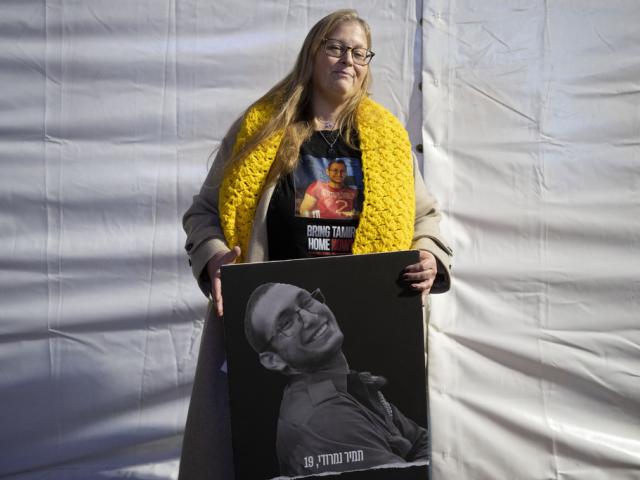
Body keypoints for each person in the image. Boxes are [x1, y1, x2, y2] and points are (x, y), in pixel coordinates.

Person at [179, 9, 452, 480]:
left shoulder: (388, 141)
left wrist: (429, 254)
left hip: (365, 320)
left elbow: (424, 219)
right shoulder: (260, 128)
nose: (348, 59)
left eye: (359, 51)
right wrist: (213, 258)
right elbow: (202, 213)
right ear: (312, 54)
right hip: (273, 328)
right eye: (335, 47)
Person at [244, 283, 429, 477]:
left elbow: (422, 441)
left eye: (307, 301)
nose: (311, 318)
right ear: (273, 360)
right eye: (287, 323)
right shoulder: (324, 418)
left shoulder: (349, 384)